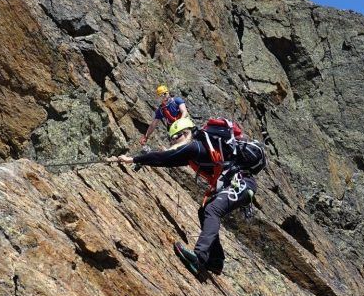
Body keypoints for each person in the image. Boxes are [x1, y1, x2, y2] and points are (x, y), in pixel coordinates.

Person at [109, 116, 263, 276]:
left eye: (176, 136)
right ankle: (215, 260)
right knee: (204, 211)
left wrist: (133, 159)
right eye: (171, 138)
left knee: (213, 210)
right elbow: (167, 161)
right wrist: (143, 161)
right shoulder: (197, 151)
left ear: (187, 132)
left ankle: (199, 257)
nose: (174, 140)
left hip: (242, 183)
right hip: (240, 185)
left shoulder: (195, 147)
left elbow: (164, 157)